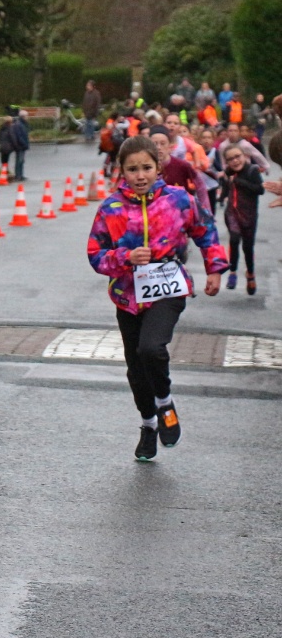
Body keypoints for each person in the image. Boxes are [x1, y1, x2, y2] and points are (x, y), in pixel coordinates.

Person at [87, 135, 227, 462]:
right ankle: (149, 425)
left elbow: (206, 231)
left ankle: (165, 402)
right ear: (122, 170)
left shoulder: (178, 200)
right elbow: (95, 254)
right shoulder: (111, 208)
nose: (140, 175)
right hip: (127, 295)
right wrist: (125, 257)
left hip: (168, 287)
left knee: (151, 348)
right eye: (132, 169)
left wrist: (215, 268)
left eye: (146, 168)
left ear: (158, 166)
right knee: (136, 369)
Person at [222, 146, 264, 295]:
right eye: (230, 159)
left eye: (237, 156)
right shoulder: (229, 172)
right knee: (234, 240)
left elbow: (260, 190)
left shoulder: (252, 170)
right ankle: (232, 272)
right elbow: (226, 189)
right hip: (232, 213)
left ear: (244, 156)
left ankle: (250, 274)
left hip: (249, 215)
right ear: (226, 162)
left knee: (247, 246)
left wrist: (239, 182)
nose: (235, 161)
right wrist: (221, 196)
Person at [149, 127, 210, 210]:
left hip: (180, 211)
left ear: (170, 146)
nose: (159, 147)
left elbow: (200, 185)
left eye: (163, 143)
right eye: (154, 144)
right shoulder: (144, 168)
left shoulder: (182, 165)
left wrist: (205, 208)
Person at [12, 109, 30, 182]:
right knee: (19, 161)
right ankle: (18, 175)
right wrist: (24, 143)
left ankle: (21, 175)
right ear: (23, 116)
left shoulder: (22, 124)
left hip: (22, 145)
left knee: (21, 161)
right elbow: (19, 136)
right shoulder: (18, 124)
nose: (27, 117)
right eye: (26, 116)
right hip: (20, 146)